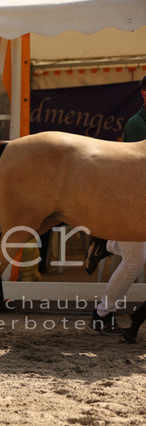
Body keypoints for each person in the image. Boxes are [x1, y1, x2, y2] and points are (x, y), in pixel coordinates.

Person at [85, 75, 146, 334]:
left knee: (135, 258)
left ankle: (108, 244)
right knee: (135, 261)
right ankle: (101, 314)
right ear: (144, 94)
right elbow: (137, 171)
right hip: (132, 202)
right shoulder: (137, 125)